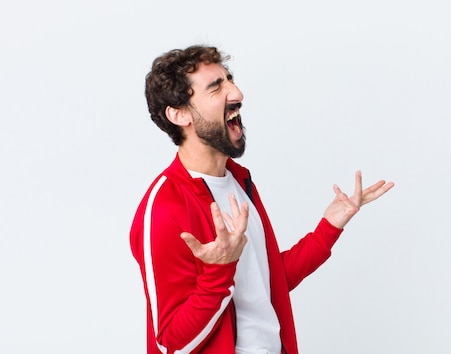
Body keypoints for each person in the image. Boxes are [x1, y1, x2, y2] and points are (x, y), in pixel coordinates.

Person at [129, 45, 394, 354]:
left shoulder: (240, 181)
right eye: (216, 88)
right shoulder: (163, 209)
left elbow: (268, 282)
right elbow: (171, 344)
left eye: (229, 79)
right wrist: (218, 273)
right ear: (179, 114)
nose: (237, 92)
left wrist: (329, 227)